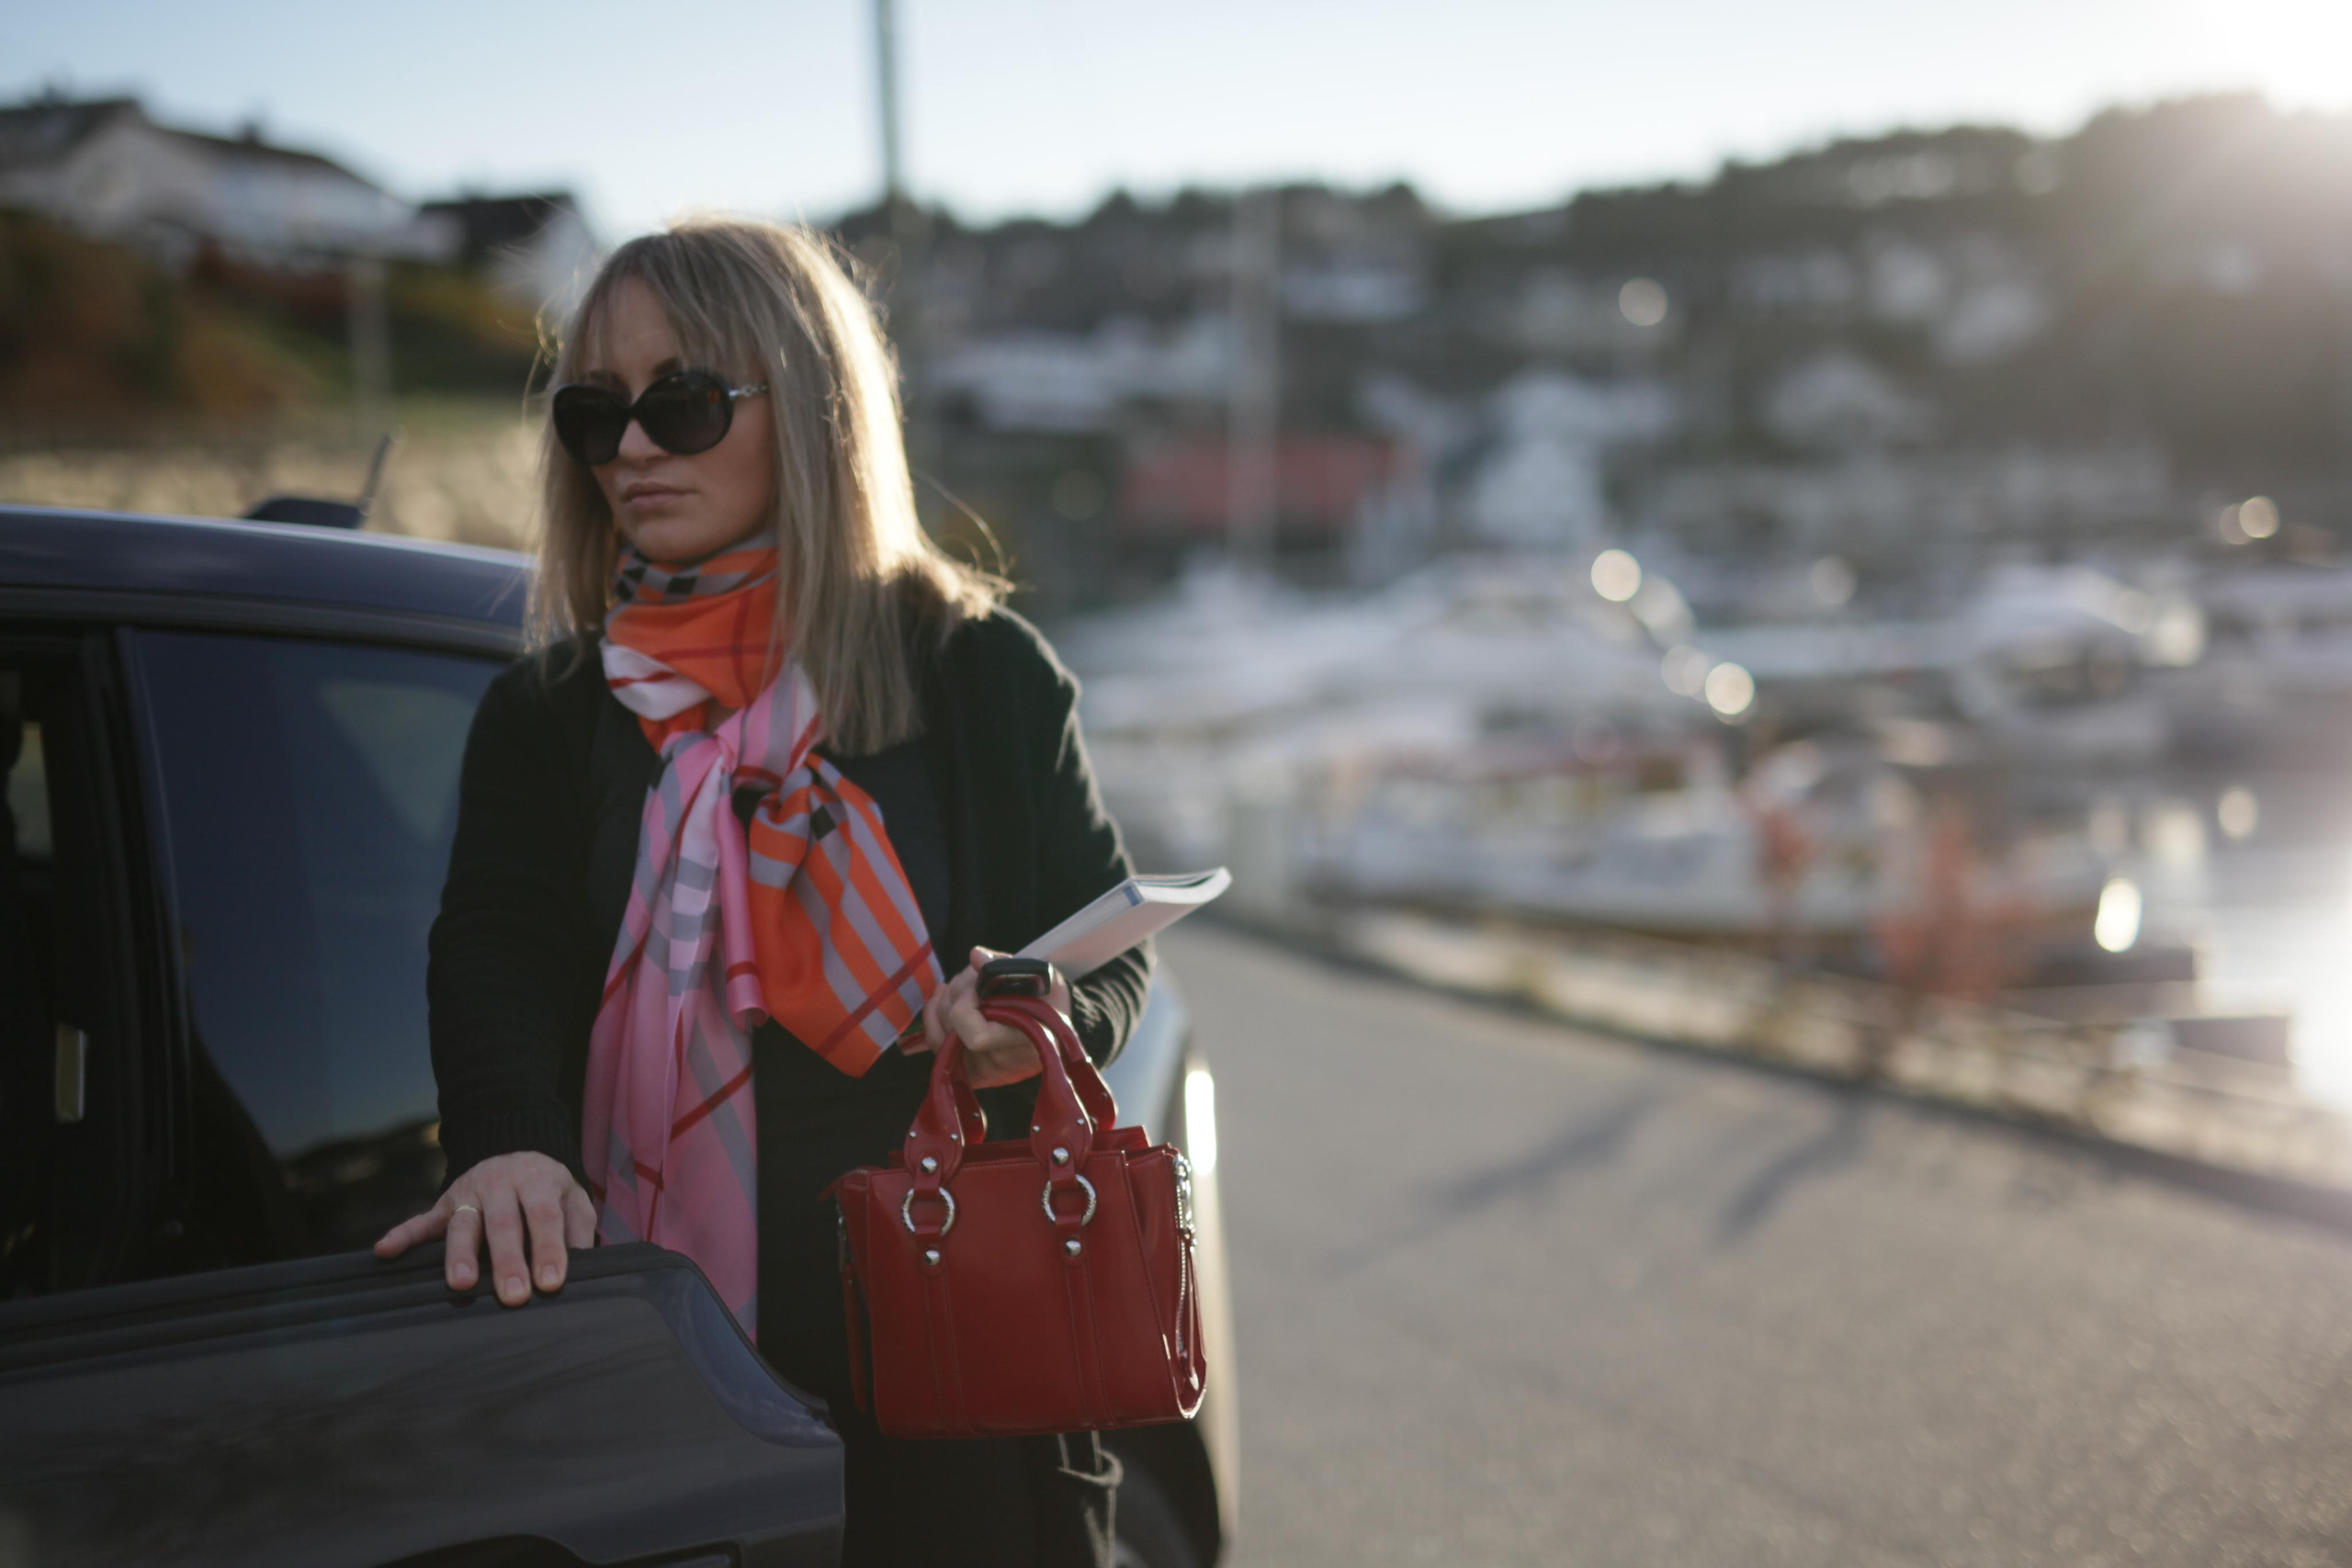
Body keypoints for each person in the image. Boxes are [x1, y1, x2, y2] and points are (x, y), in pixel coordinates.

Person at [374, 217, 1151, 1568]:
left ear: (814, 410)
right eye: (596, 411)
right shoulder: (551, 713)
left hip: (959, 1367)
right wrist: (506, 1138)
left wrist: (1031, 1015)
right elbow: (494, 945)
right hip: (652, 1380)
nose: (629, 450)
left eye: (680, 404)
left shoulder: (980, 678)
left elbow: (1112, 946)